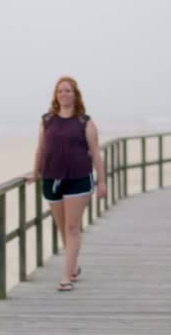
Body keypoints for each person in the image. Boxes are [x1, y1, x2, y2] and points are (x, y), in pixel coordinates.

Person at [28, 76, 106, 292]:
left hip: (78, 179)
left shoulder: (85, 122)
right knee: (63, 228)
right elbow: (41, 149)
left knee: (72, 228)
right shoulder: (47, 120)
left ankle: (66, 277)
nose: (64, 94)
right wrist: (35, 175)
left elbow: (96, 154)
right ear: (56, 95)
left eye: (68, 91)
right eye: (60, 91)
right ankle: (73, 266)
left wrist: (102, 182)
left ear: (75, 94)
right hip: (51, 179)